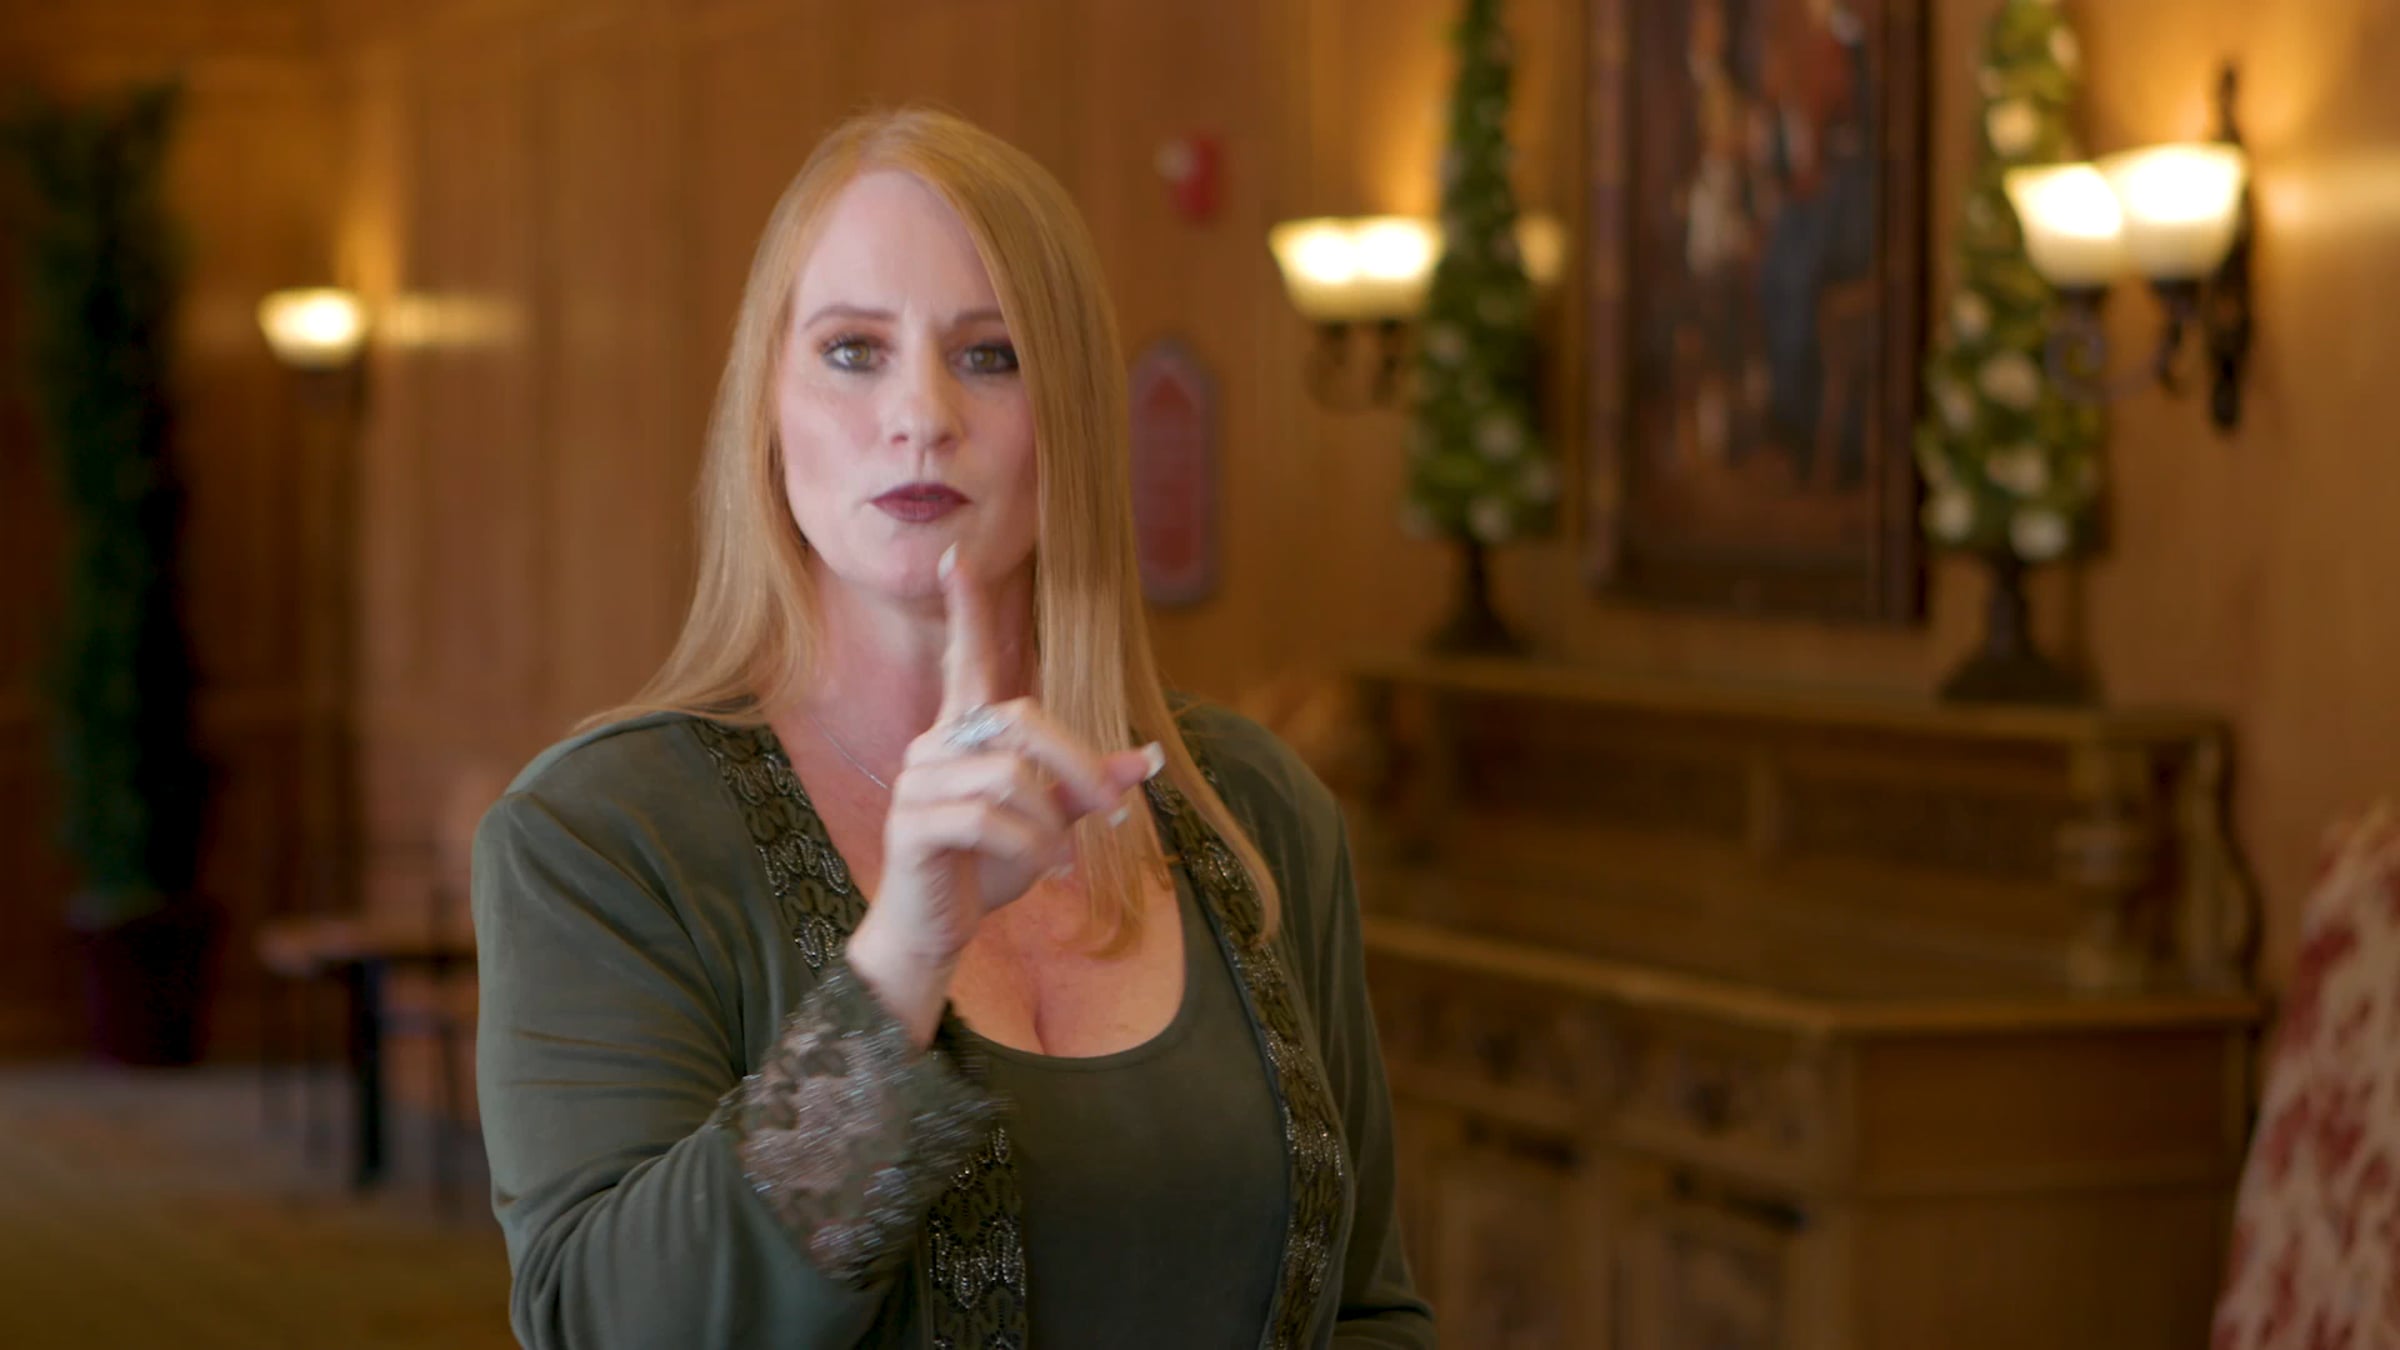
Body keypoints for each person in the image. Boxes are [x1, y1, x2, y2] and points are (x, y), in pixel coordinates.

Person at [470, 107, 1434, 1349]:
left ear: (1072, 412)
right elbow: (613, 1328)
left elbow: (1367, 1311)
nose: (922, 413)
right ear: (768, 406)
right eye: (853, 350)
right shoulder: (602, 834)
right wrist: (906, 957)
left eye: (990, 355)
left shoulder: (1252, 807)